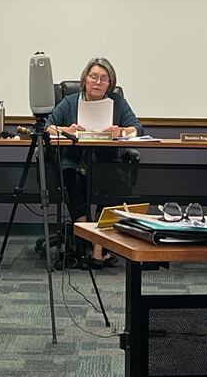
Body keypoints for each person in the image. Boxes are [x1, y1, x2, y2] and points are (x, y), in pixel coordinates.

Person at [45, 56, 142, 268]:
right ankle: (95, 244)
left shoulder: (117, 103)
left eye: (104, 79)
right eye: (93, 76)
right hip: (74, 161)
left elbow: (137, 128)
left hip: (106, 161)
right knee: (71, 179)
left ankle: (95, 246)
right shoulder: (70, 102)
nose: (97, 82)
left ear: (110, 84)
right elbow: (48, 126)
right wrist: (67, 130)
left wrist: (122, 130)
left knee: (115, 180)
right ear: (85, 80)